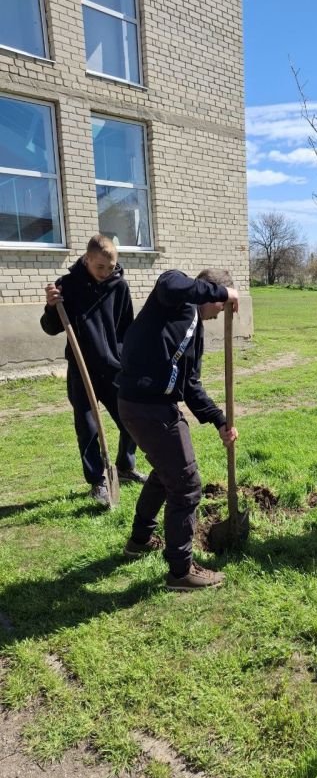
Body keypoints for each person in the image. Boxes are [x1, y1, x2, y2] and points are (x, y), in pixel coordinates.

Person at [117, 268, 239, 591]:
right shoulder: (174, 301)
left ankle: (140, 540)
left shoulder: (194, 333)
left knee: (166, 471)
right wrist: (224, 293)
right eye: (220, 302)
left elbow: (191, 387)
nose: (222, 310)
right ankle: (181, 571)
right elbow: (168, 282)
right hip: (146, 405)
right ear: (211, 292)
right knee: (186, 483)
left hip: (149, 405)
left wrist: (220, 420)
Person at [41, 234, 146, 507]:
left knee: (130, 422)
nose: (106, 272)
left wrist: (122, 358)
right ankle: (97, 481)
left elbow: (126, 329)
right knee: (87, 429)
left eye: (111, 268)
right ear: (87, 259)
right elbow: (51, 327)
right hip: (81, 369)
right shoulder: (67, 286)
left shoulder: (119, 287)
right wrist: (52, 306)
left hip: (113, 369)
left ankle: (125, 466)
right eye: (100, 267)